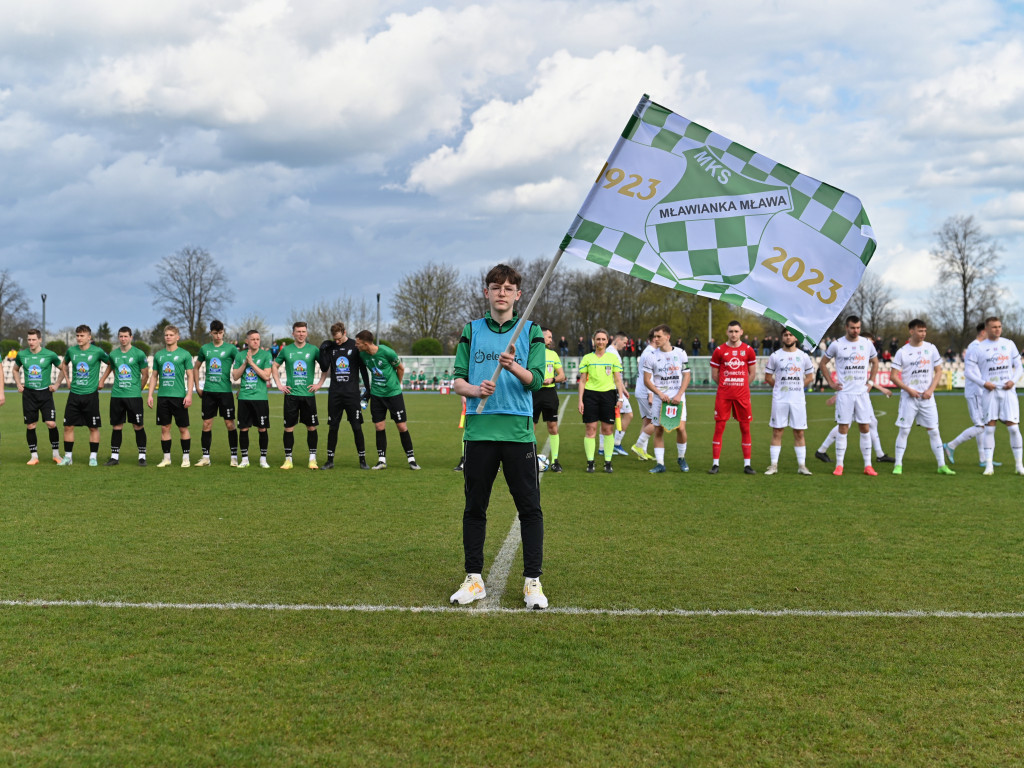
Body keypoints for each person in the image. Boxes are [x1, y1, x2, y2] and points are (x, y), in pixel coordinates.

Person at [449, 263, 547, 609]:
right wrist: (475, 390)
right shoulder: (471, 330)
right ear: (486, 292)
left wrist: (513, 366)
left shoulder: (531, 330)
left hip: (518, 433)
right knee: (475, 507)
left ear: (518, 295)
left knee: (530, 509)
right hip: (479, 431)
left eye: (508, 288)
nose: (502, 292)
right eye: (496, 286)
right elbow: (457, 380)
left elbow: (536, 380)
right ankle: (474, 579)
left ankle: (532, 582)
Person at [888, 319, 955, 475]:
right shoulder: (902, 352)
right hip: (909, 399)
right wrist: (908, 389)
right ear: (911, 331)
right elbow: (893, 376)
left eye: (925, 331)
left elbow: (938, 371)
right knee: (904, 431)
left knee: (934, 431)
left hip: (927, 398)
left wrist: (931, 389)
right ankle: (898, 465)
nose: (923, 334)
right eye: (920, 331)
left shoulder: (931, 349)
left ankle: (941, 466)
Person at [818, 315, 879, 476]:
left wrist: (871, 382)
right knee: (843, 428)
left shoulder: (866, 344)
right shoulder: (837, 344)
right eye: (853, 328)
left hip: (862, 394)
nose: (856, 330)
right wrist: (831, 383)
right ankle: (839, 465)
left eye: (858, 327)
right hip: (845, 394)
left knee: (865, 427)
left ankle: (868, 465)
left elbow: (876, 362)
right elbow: (822, 363)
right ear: (847, 327)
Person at [965, 316, 1023, 475]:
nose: (997, 329)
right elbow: (968, 372)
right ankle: (989, 465)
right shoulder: (978, 348)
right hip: (990, 392)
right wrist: (983, 383)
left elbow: (1019, 366)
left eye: (999, 326)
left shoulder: (1008, 344)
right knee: (989, 429)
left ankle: (1019, 465)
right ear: (987, 329)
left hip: (1008, 392)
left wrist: (1013, 380)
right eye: (994, 327)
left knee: (1013, 428)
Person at [354, 330, 419, 470]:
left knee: (401, 426)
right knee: (379, 426)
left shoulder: (387, 352)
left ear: (366, 343)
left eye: (358, 343)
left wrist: (397, 384)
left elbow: (400, 368)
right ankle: (381, 460)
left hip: (393, 394)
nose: (356, 345)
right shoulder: (362, 354)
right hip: (377, 395)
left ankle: (411, 459)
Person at [315, 322, 371, 470]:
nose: (337, 342)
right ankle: (329, 460)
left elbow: (363, 369)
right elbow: (324, 367)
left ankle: (363, 460)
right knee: (333, 427)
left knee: (356, 426)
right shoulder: (331, 347)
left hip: (352, 394)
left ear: (344, 332)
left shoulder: (355, 346)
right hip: (335, 394)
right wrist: (323, 351)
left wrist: (368, 389)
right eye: (335, 339)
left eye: (339, 338)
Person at [57, 324, 111, 466]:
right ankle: (68, 457)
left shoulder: (98, 351)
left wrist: (102, 380)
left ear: (89, 337)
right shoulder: (71, 351)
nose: (79, 338)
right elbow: (64, 365)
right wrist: (67, 380)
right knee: (68, 426)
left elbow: (111, 363)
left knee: (93, 427)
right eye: (77, 336)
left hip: (91, 395)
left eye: (82, 336)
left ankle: (93, 457)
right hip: (74, 394)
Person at [763, 329, 815, 475]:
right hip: (780, 400)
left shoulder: (803, 356)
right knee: (777, 431)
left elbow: (810, 377)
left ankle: (802, 466)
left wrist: (799, 387)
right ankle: (773, 465)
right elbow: (768, 377)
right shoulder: (775, 356)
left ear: (796, 338)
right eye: (785, 335)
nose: (788, 337)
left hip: (797, 400)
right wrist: (779, 388)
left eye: (791, 335)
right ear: (782, 338)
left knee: (799, 432)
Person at [708, 320, 757, 474]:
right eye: (731, 331)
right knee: (719, 427)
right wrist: (726, 385)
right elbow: (715, 375)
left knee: (745, 427)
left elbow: (753, 373)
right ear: (727, 332)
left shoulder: (748, 350)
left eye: (736, 331)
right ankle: (715, 464)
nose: (733, 334)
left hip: (742, 396)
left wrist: (742, 386)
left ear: (741, 332)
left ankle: (747, 465)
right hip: (724, 395)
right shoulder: (719, 350)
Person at [97, 326, 150, 466]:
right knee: (116, 426)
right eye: (121, 336)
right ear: (118, 337)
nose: (123, 339)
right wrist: (102, 380)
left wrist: (138, 389)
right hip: (117, 396)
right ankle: (114, 457)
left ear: (131, 337)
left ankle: (142, 456)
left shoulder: (139, 354)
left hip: (134, 396)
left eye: (126, 336)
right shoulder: (114, 354)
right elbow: (112, 368)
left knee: (138, 425)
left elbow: (145, 374)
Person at [272, 321, 321, 470]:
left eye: (303, 331)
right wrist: (279, 384)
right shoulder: (287, 350)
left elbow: (326, 366)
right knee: (288, 428)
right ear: (293, 333)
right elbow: (274, 366)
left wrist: (319, 384)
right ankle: (288, 460)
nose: (301, 334)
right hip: (291, 395)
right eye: (298, 331)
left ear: (307, 333)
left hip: (308, 395)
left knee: (311, 427)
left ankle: (312, 459)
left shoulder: (313, 350)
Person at [944, 323, 993, 468]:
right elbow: (971, 372)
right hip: (976, 392)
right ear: (984, 332)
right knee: (981, 426)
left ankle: (983, 459)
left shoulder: (978, 346)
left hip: (979, 391)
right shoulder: (975, 347)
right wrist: (984, 384)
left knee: (981, 425)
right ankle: (951, 445)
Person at [577, 329, 626, 473]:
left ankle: (608, 462)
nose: (601, 342)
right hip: (590, 396)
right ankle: (590, 462)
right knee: (590, 429)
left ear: (607, 341)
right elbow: (582, 382)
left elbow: (618, 380)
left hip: (608, 396)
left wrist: (620, 398)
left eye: (603, 339)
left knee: (607, 430)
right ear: (594, 341)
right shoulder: (587, 358)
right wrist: (580, 400)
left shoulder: (612, 358)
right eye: (598, 339)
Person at [643, 325, 690, 473]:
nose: (655, 339)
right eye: (654, 337)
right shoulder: (651, 356)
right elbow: (647, 380)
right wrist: (659, 393)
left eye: (659, 336)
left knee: (681, 429)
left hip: (678, 398)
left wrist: (679, 394)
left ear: (667, 337)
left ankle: (681, 458)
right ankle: (660, 464)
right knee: (658, 430)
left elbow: (687, 375)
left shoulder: (681, 353)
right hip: (659, 399)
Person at [12, 329, 63, 465]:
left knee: (51, 423)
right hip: (29, 394)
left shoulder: (50, 354)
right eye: (29, 339)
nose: (31, 342)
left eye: (34, 339)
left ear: (40, 340)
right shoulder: (22, 354)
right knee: (31, 425)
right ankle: (34, 457)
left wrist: (57, 384)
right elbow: (15, 369)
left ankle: (56, 454)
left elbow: (63, 368)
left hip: (45, 393)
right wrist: (18, 384)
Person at [194, 319, 239, 467]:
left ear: (223, 332)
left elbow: (242, 367)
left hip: (225, 392)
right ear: (211, 333)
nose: (218, 336)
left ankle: (233, 457)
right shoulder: (205, 349)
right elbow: (196, 368)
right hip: (209, 392)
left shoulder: (231, 349)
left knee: (230, 423)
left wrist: (241, 387)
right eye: (215, 333)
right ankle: (206, 457)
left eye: (220, 333)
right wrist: (197, 387)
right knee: (206, 424)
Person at [148, 325, 194, 467]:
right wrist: (150, 395)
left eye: (171, 335)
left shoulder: (184, 354)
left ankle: (186, 458)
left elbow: (191, 375)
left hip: (179, 397)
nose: (168, 337)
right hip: (163, 397)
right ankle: (166, 459)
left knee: (182, 428)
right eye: (166, 335)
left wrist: (189, 395)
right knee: (164, 428)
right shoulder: (159, 355)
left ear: (177, 337)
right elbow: (154, 376)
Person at [231, 329, 273, 468]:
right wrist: (245, 363)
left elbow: (267, 376)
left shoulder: (266, 355)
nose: (256, 341)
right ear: (247, 341)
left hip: (260, 398)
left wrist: (252, 364)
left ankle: (263, 459)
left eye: (258, 339)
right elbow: (235, 376)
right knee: (243, 428)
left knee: (262, 429)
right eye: (253, 339)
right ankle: (244, 459)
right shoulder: (240, 355)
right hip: (244, 397)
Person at [533, 327, 566, 472]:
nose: (551, 340)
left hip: (549, 394)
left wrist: (552, 379)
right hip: (533, 393)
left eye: (551, 337)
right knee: (530, 428)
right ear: (541, 337)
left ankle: (555, 461)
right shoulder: (531, 353)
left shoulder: (553, 354)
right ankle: (529, 458)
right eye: (549, 337)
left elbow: (562, 376)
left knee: (553, 427)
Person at [630, 330, 657, 461]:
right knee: (656, 421)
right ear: (654, 339)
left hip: (641, 391)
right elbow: (649, 377)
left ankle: (642, 452)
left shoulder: (648, 351)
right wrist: (651, 394)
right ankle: (638, 445)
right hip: (646, 392)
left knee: (647, 421)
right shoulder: (650, 353)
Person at [607, 332, 634, 455]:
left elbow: (618, 374)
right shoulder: (611, 353)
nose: (625, 345)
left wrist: (623, 389)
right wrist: (620, 391)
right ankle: (615, 444)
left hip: (616, 388)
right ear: (618, 339)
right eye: (624, 342)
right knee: (627, 414)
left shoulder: (613, 352)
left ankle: (609, 446)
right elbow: (613, 375)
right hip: (613, 390)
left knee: (617, 416)